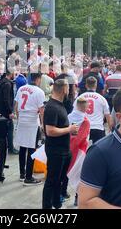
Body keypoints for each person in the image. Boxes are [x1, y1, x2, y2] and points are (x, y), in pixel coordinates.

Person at [42, 79, 79, 209]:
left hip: (64, 148)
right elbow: (50, 130)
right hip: (55, 150)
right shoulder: (52, 107)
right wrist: (69, 129)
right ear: (64, 89)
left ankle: (56, 203)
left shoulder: (60, 104)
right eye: (68, 88)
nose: (69, 90)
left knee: (59, 180)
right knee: (52, 181)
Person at [14, 73, 45, 186]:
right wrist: (43, 124)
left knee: (22, 147)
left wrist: (19, 118)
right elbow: (41, 110)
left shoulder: (21, 88)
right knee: (32, 148)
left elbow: (16, 106)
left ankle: (22, 173)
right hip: (32, 121)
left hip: (22, 119)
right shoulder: (39, 91)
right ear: (38, 79)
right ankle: (28, 177)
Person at [0, 69, 15, 181]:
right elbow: (6, 100)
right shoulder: (7, 84)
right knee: (1, 145)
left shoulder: (1, 82)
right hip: (2, 118)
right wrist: (10, 112)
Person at [76, 76, 113, 143]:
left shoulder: (80, 98)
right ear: (95, 85)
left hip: (83, 127)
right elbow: (108, 115)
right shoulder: (101, 98)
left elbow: (75, 114)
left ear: (86, 85)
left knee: (81, 151)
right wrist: (111, 129)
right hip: (98, 127)